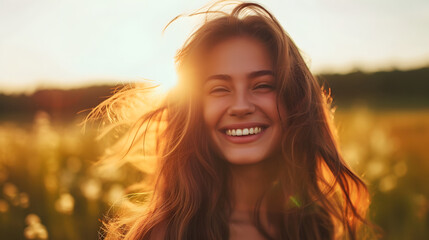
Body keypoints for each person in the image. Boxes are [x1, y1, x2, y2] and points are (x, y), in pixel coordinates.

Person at [88, 1, 377, 239]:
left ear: (294, 101)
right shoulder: (169, 233)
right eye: (219, 89)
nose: (240, 106)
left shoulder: (313, 223)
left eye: (263, 85)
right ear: (195, 109)